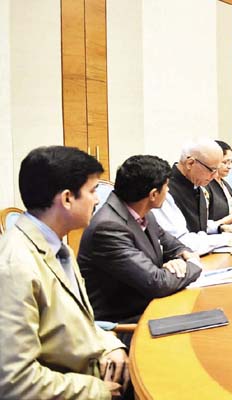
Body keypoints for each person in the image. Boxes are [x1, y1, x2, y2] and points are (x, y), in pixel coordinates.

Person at [0, 146, 128, 399]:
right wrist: (96, 390)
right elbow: (16, 381)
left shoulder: (58, 247)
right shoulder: (15, 267)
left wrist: (110, 345)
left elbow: (73, 322)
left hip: (90, 373)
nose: (97, 200)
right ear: (67, 198)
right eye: (92, 191)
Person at [78, 155, 202, 328]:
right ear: (153, 194)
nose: (168, 192)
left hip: (153, 307)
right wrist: (193, 264)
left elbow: (175, 246)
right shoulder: (108, 228)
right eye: (166, 187)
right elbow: (158, 283)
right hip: (125, 324)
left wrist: (178, 261)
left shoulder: (144, 213)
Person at [152, 139, 232, 254]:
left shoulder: (195, 183)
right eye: (212, 170)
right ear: (190, 163)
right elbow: (179, 240)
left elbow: (196, 224)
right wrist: (225, 239)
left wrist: (218, 227)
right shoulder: (165, 191)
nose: (215, 175)